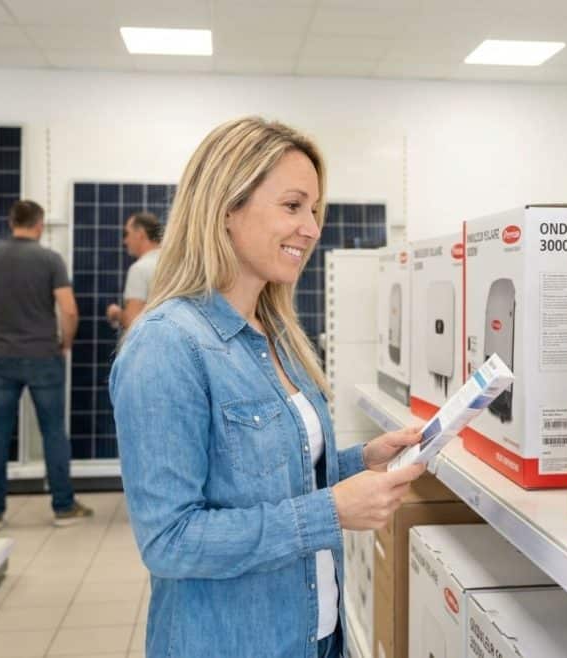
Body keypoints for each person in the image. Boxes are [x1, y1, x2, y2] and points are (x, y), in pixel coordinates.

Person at [109, 117, 425, 658]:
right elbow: (170, 542)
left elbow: (277, 473)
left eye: (315, 210)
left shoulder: (276, 333)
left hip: (318, 636)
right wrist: (332, 512)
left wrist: (361, 462)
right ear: (226, 208)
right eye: (293, 205)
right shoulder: (167, 345)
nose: (312, 227)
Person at [0, 200, 94, 530]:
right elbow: (69, 310)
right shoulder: (49, 259)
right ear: (39, 225)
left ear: (11, 222)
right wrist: (65, 342)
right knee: (53, 432)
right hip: (43, 355)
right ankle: (63, 507)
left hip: (0, 356)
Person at [105, 211, 162, 330]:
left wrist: (116, 314)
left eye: (127, 234)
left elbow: (133, 322)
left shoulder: (140, 269)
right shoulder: (173, 265)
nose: (125, 241)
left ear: (140, 234)